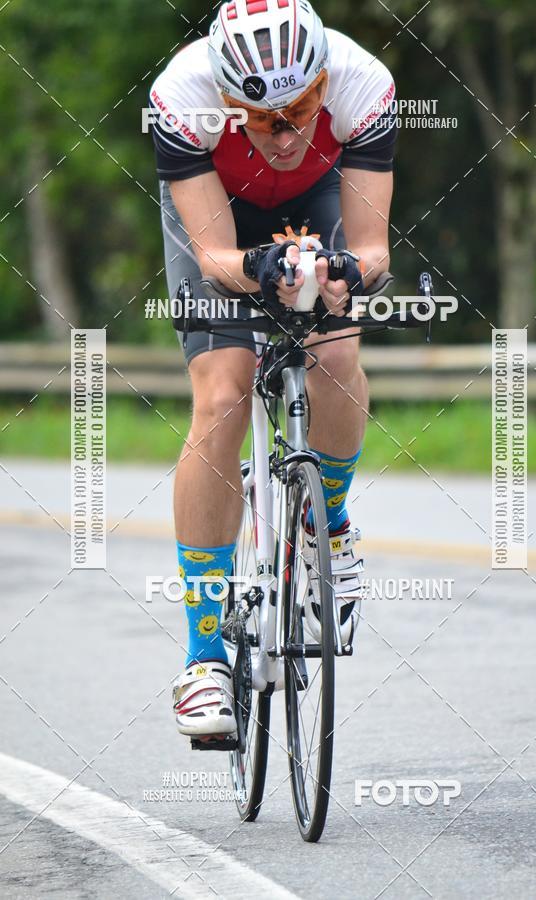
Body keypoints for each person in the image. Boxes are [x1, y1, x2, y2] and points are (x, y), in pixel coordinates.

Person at [149, 0, 397, 744]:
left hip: (318, 207)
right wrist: (257, 267)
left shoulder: (363, 83)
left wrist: (349, 271)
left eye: (301, 110)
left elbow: (373, 248)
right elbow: (217, 257)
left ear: (323, 79)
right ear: (226, 102)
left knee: (338, 350)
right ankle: (203, 661)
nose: (284, 135)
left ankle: (336, 522)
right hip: (221, 222)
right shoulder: (180, 97)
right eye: (258, 118)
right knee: (223, 398)